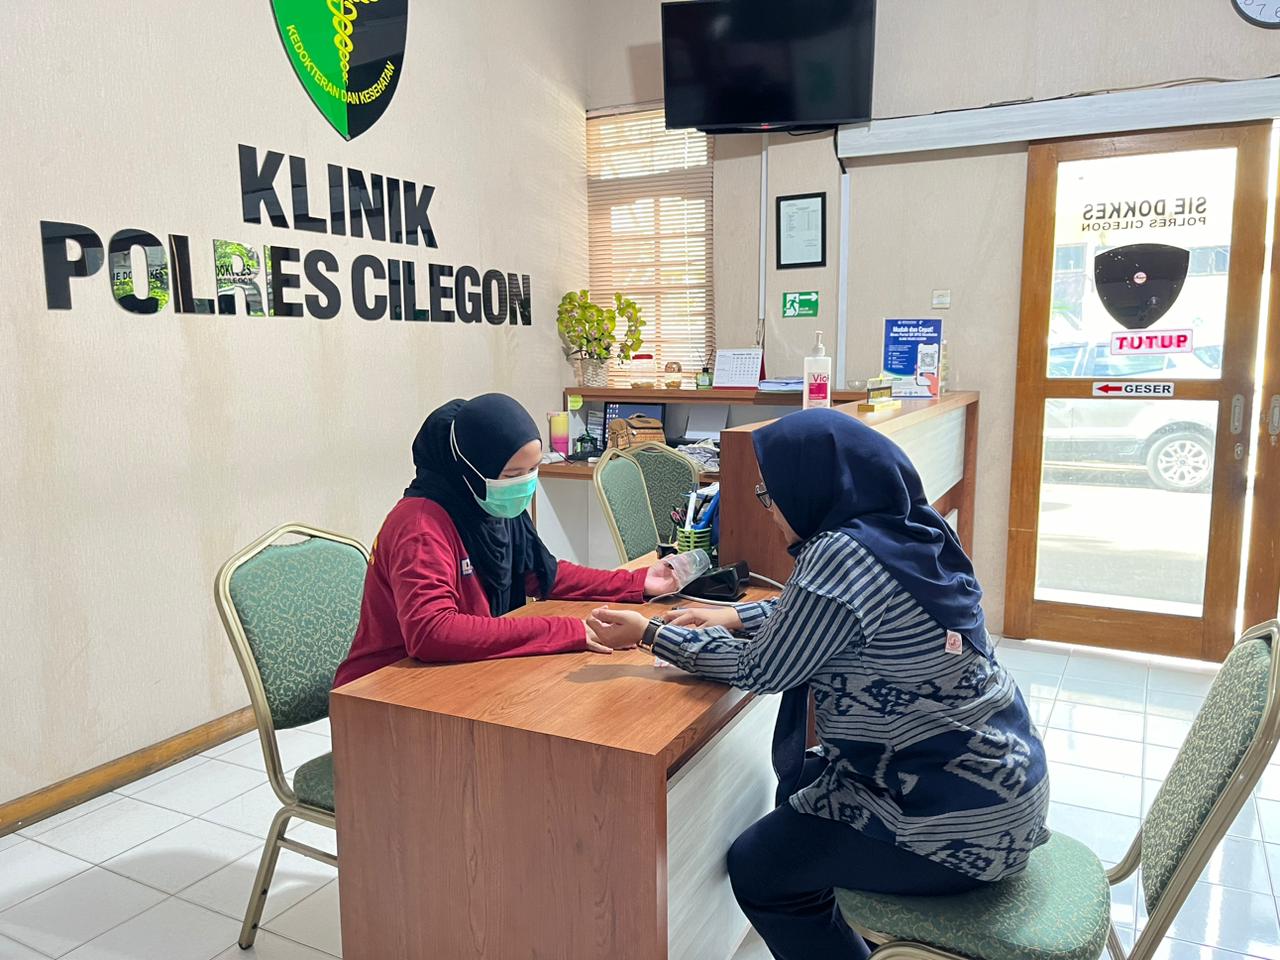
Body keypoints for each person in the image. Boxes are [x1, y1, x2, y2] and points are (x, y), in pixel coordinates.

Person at [588, 408, 1049, 960]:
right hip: (1005, 782)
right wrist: (734, 615)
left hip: (957, 824)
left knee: (759, 866)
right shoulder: (908, 528)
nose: (770, 508)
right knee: (803, 781)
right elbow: (831, 616)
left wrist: (651, 634)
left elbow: (764, 668)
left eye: (770, 493)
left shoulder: (839, 554)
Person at [333, 393, 679, 687]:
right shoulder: (420, 526)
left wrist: (637, 582)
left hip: (457, 676)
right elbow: (432, 632)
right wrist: (564, 631)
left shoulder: (487, 504)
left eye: (532, 470)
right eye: (512, 474)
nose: (524, 484)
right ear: (471, 469)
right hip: (385, 692)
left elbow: (543, 573)